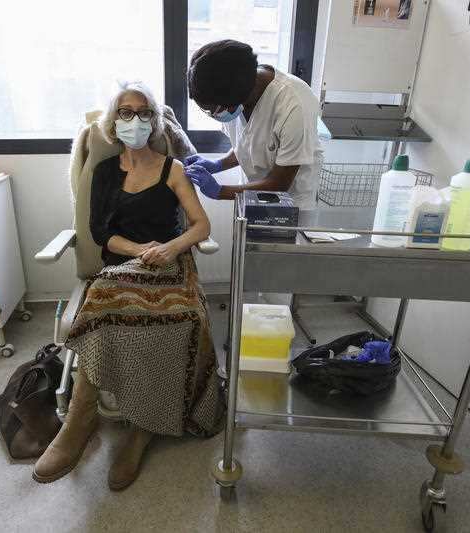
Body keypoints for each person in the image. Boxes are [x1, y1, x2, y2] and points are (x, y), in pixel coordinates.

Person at [33, 82, 224, 490]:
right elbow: (101, 232)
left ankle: (144, 426)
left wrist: (169, 249)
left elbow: (201, 225)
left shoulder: (172, 168)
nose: (133, 120)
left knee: (187, 317)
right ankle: (79, 420)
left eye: (142, 112)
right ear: (113, 121)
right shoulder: (104, 172)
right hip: (121, 264)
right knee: (105, 300)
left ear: (153, 121)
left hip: (172, 266)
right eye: (124, 111)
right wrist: (141, 250)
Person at [185, 39, 323, 210]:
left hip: (293, 205)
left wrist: (221, 191)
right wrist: (219, 164)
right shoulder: (232, 92)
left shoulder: (294, 104)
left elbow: (279, 183)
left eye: (214, 110)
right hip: (252, 197)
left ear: (234, 100)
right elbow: (250, 145)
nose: (214, 115)